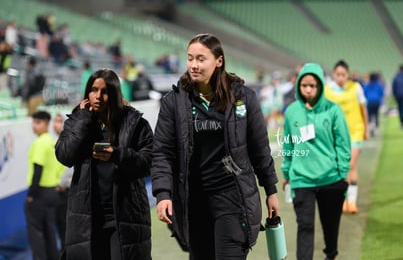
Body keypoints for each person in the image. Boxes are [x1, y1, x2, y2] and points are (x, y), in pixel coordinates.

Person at [151, 33, 280, 260]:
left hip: (233, 198)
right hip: (193, 203)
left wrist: (271, 190)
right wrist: (163, 194)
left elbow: (259, 149)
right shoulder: (174, 101)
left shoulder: (243, 98)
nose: (194, 65)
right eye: (190, 58)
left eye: (201, 59)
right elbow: (162, 151)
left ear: (218, 61)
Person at [55, 68, 153, 260]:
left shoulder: (135, 123)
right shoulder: (77, 121)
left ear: (115, 93)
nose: (98, 96)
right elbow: (64, 155)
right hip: (87, 219)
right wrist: (82, 120)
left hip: (124, 218)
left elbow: (148, 162)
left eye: (105, 91)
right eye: (93, 90)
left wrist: (117, 155)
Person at [281, 62, 351, 260]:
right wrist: (286, 173)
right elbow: (288, 145)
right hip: (302, 179)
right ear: (298, 86)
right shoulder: (292, 111)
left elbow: (343, 143)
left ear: (320, 85)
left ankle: (331, 255)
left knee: (330, 227)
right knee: (305, 227)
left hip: (331, 179)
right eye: (304, 86)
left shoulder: (333, 110)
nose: (309, 90)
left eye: (313, 85)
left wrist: (342, 172)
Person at [325, 60, 369, 214]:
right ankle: (343, 200)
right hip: (336, 134)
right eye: (338, 74)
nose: (341, 77)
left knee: (350, 165)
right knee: (339, 167)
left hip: (355, 131)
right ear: (333, 74)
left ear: (348, 75)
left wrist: (366, 128)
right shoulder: (327, 90)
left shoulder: (355, 88)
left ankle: (352, 201)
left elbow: (364, 108)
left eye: (343, 74)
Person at [25, 110, 61, 260]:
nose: (34, 126)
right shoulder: (52, 141)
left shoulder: (40, 143)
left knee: (36, 235)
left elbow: (37, 170)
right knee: (49, 231)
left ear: (46, 124)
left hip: (39, 194)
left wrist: (31, 194)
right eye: (33, 122)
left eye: (38, 122)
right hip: (53, 193)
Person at [52, 113, 73, 252]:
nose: (56, 125)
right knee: (60, 225)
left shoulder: (69, 141)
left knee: (67, 226)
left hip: (66, 190)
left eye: (59, 121)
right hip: (56, 192)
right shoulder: (53, 141)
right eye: (55, 121)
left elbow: (70, 167)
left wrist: (62, 183)